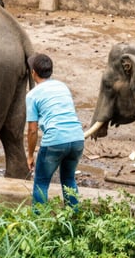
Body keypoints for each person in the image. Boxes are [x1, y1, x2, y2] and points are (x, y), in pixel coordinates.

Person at [26, 52, 85, 208]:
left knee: (41, 182)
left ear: (33, 73)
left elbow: (32, 130)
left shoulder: (32, 95)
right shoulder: (62, 86)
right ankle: (75, 221)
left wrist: (30, 155)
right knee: (69, 180)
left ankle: (39, 222)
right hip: (77, 138)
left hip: (55, 140)